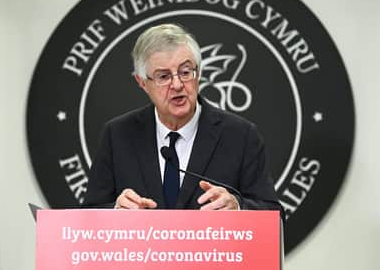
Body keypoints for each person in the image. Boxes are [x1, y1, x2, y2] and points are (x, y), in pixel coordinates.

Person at [83, 23, 281, 212]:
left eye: (185, 72)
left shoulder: (240, 136)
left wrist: (237, 207)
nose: (177, 85)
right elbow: (87, 215)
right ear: (142, 82)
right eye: (163, 76)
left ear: (198, 73)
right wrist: (116, 210)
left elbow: (273, 213)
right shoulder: (117, 136)